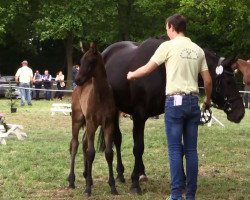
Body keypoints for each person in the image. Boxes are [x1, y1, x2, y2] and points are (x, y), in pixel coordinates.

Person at [127, 14, 212, 200]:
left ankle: (175, 195)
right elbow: (207, 80)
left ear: (172, 27)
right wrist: (207, 101)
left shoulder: (166, 46)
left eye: (167, 27)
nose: (166, 31)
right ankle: (190, 195)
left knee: (174, 149)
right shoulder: (198, 50)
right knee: (191, 151)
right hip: (193, 103)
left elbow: (148, 68)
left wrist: (132, 74)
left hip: (175, 103)